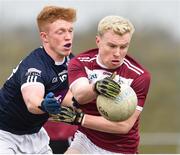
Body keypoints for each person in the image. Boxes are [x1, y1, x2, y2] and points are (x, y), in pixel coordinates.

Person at [51, 15, 151, 154]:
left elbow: (123, 126)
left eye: (123, 47)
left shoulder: (139, 76)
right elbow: (80, 96)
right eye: (112, 46)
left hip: (122, 148)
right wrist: (96, 87)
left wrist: (80, 119)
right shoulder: (80, 63)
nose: (117, 53)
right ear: (98, 41)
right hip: (86, 140)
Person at [0, 5, 77, 154]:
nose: (67, 37)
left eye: (70, 31)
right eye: (60, 32)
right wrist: (44, 104)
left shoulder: (70, 61)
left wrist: (92, 99)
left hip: (35, 135)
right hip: (4, 134)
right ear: (45, 37)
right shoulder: (35, 66)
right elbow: (31, 101)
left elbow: (69, 96)